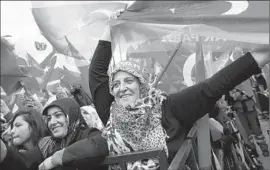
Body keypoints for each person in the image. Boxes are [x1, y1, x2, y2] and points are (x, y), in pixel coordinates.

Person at [88, 25, 270, 169]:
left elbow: (214, 86)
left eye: (128, 81)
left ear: (141, 85)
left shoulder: (168, 108)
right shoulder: (111, 114)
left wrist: (262, 53)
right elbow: (96, 72)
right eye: (116, 84)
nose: (122, 88)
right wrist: (111, 27)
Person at [1, 98, 108, 170]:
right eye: (49, 118)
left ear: (71, 115)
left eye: (58, 115)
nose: (52, 122)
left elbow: (99, 145)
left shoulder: (89, 134)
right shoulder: (47, 144)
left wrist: (55, 159)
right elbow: (25, 161)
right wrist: (3, 151)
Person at [228, 88, 269, 157]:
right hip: (238, 110)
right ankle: (253, 150)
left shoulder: (240, 79)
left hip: (250, 107)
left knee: (256, 130)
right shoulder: (226, 86)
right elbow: (226, 100)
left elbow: (249, 91)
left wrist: (241, 93)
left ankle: (264, 149)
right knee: (246, 132)